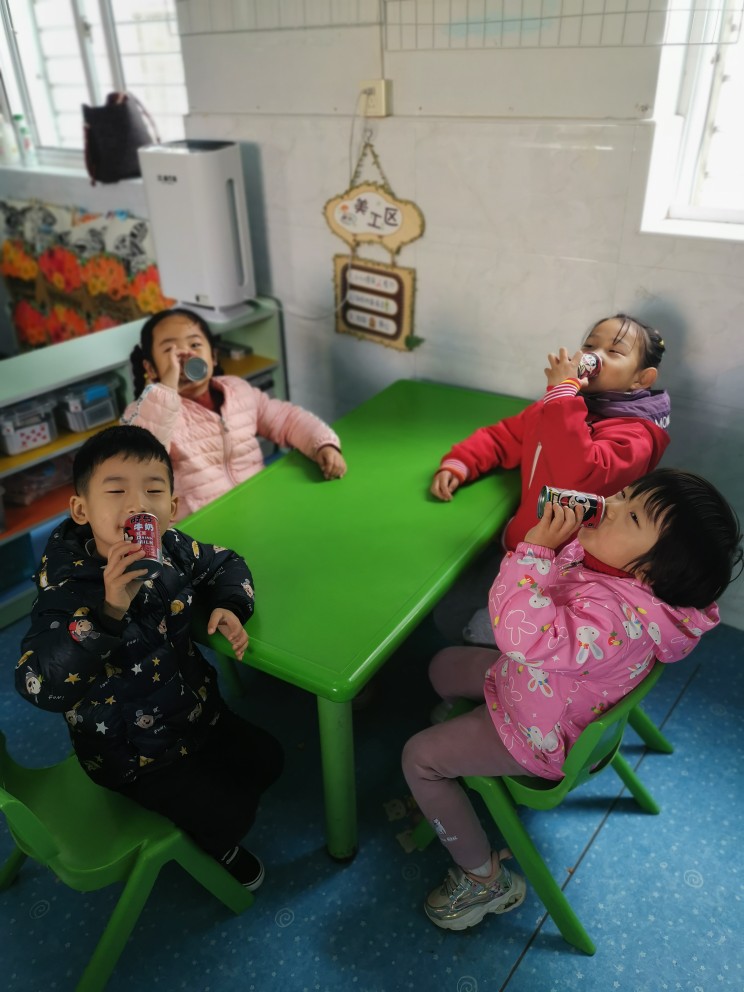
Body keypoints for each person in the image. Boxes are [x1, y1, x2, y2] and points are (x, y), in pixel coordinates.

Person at [403, 468, 742, 931]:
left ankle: (483, 880)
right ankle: (458, 745)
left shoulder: (615, 623)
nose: (611, 504)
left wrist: (534, 552)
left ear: (646, 571)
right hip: (534, 684)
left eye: (632, 516)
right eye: (623, 494)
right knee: (441, 665)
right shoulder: (623, 574)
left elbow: (516, 636)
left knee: (419, 757)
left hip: (535, 735)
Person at [15, 425, 283, 890]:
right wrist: (108, 612)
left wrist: (229, 605)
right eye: (116, 490)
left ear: (172, 508)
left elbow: (225, 562)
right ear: (81, 510)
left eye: (153, 490)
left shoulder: (172, 548)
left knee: (269, 759)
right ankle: (218, 848)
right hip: (133, 756)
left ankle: (213, 798)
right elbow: (39, 684)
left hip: (195, 712)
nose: (137, 504)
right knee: (229, 817)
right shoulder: (66, 588)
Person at [429, 313, 670, 646]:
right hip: (520, 545)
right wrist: (461, 463)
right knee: (448, 611)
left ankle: (505, 664)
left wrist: (563, 396)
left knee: (484, 629)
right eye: (590, 346)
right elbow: (506, 436)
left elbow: (579, 476)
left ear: (641, 379)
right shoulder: (561, 405)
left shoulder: (636, 436)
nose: (595, 357)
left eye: (614, 352)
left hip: (562, 575)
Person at [121, 307, 347, 520]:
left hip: (258, 506)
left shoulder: (238, 390)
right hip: (202, 525)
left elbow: (286, 419)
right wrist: (166, 389)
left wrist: (322, 444)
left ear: (213, 356)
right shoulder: (145, 413)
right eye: (170, 350)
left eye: (195, 344)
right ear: (151, 368)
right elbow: (141, 461)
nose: (185, 355)